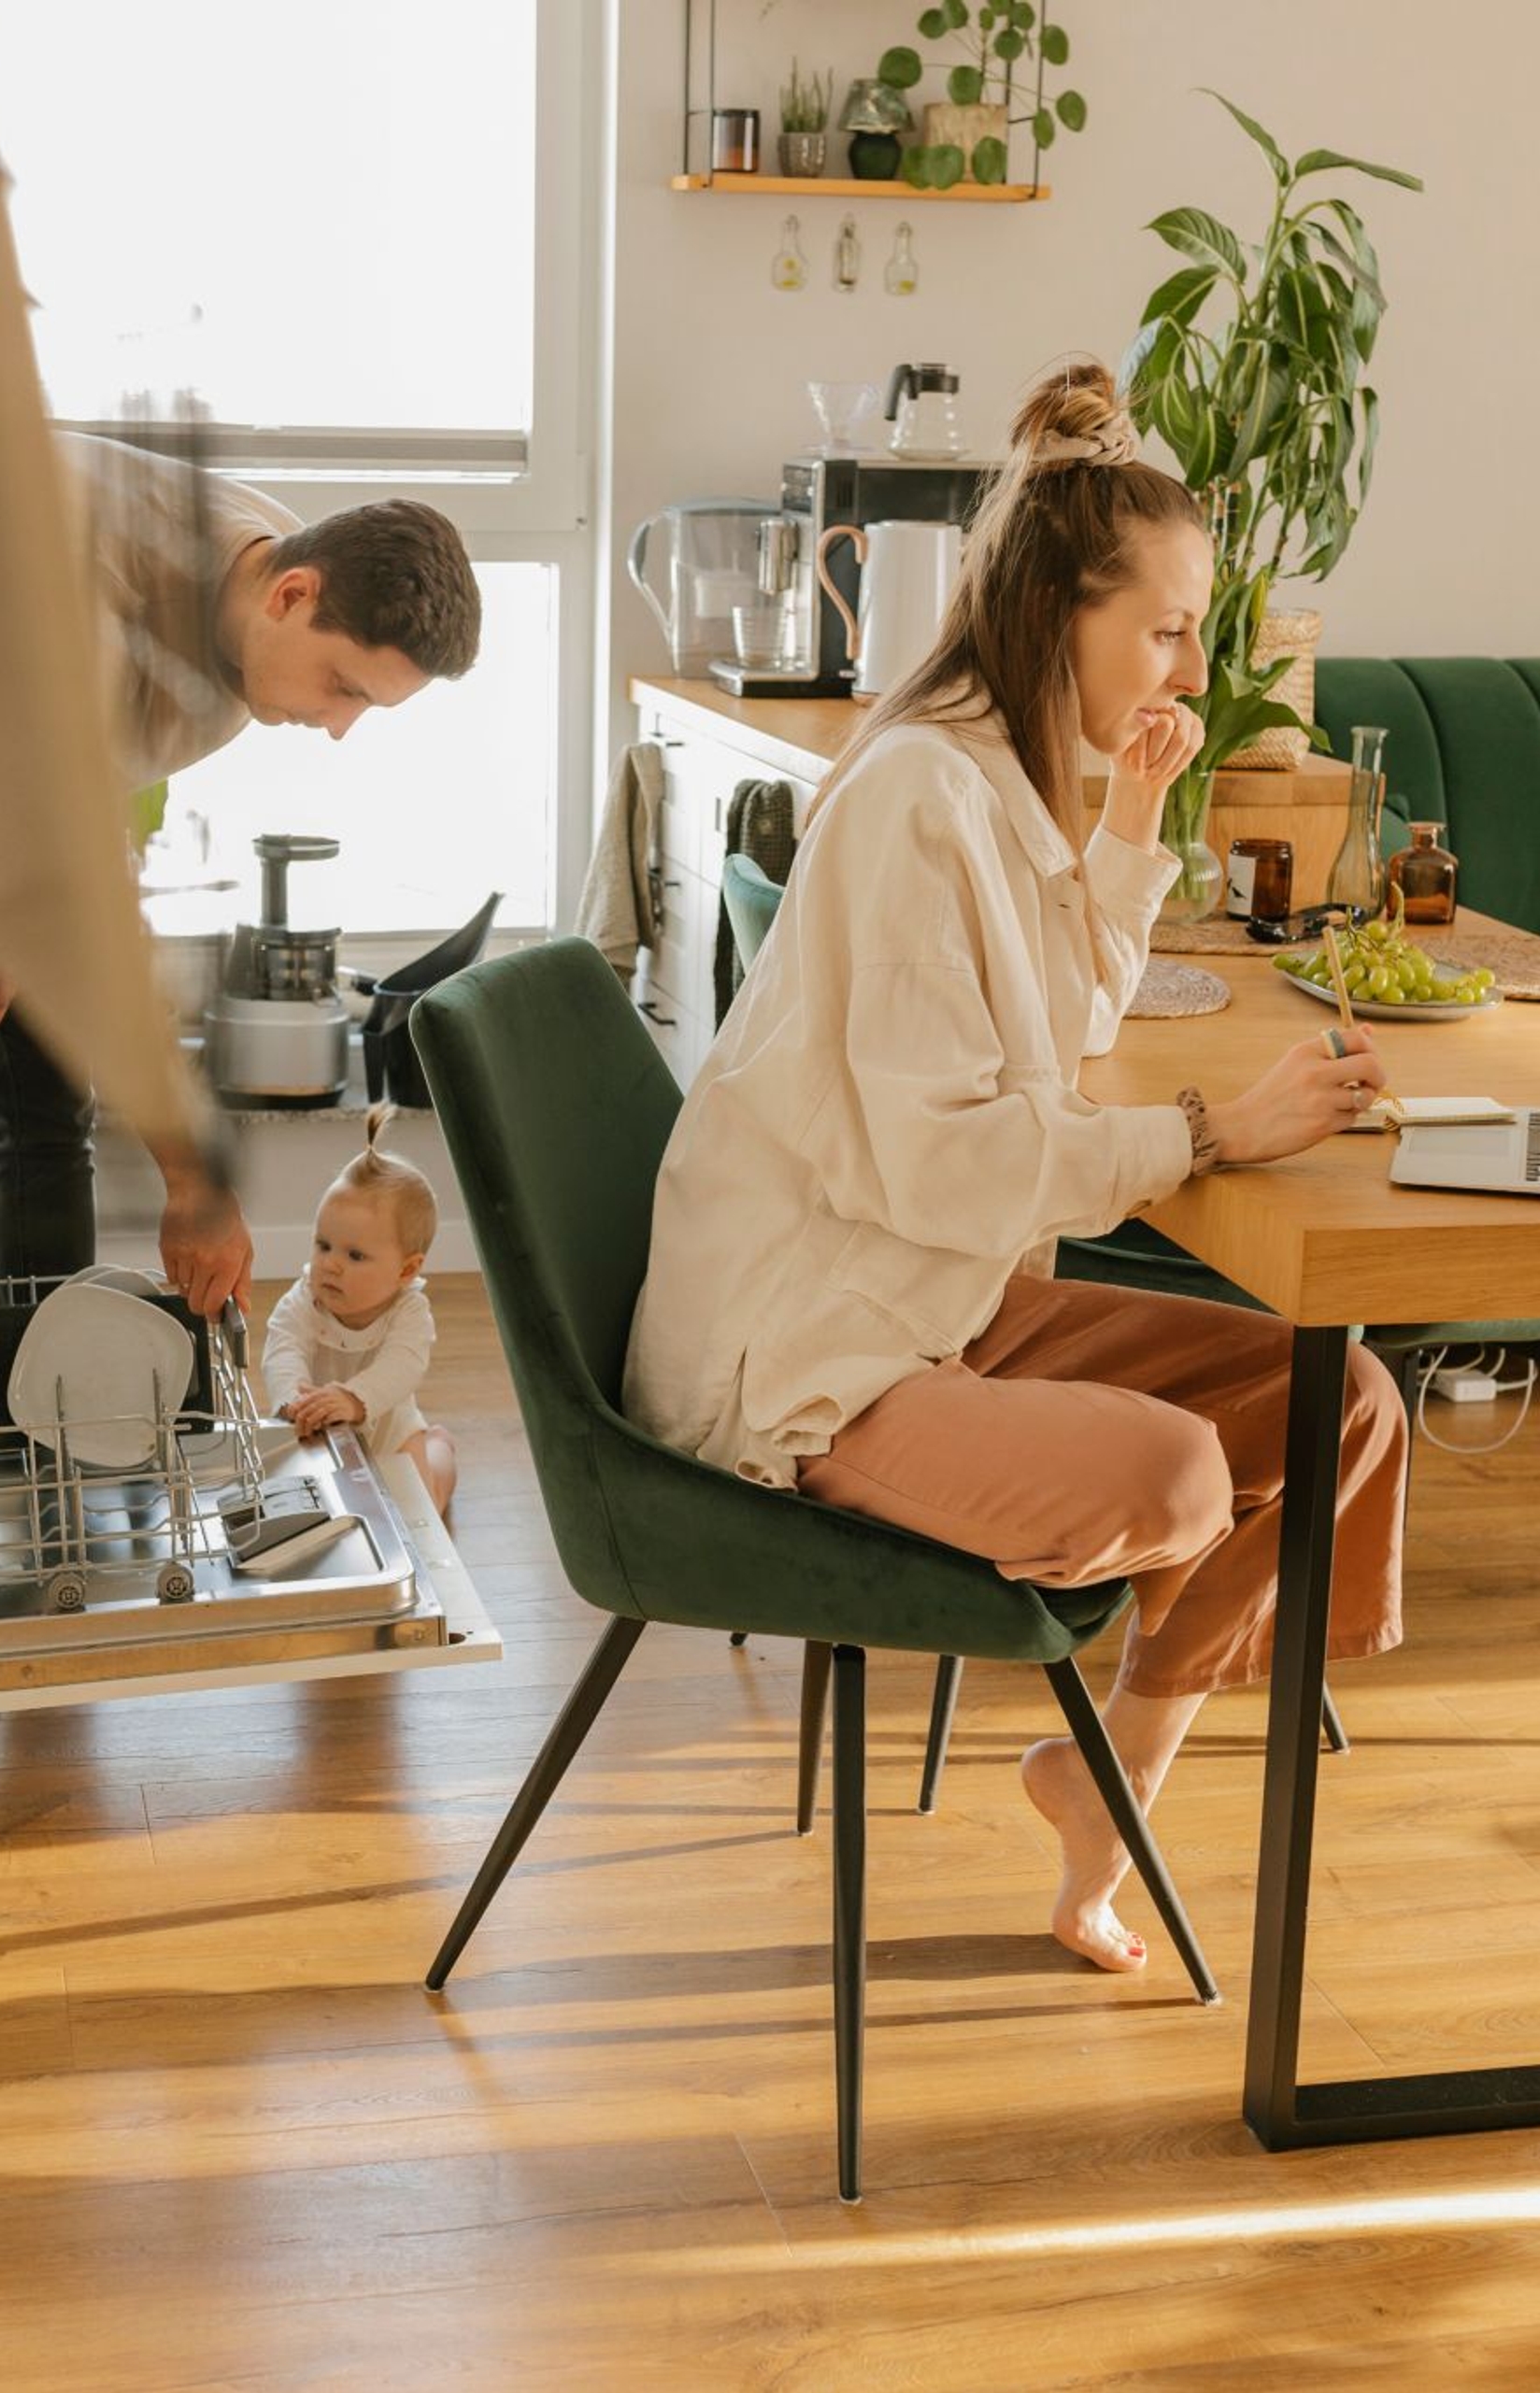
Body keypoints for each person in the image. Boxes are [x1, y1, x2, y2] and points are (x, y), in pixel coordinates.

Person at [622, 362, 1410, 1977]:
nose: (1191, 663)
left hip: (929, 1292)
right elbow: (946, 1159)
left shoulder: (998, 776)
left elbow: (1058, 1031)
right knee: (1180, 1478)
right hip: (810, 1349)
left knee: (1350, 1406)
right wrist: (1206, 1134)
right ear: (1062, 606)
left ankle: (1101, 1785)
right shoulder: (922, 797)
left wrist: (1133, 820)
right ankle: (1106, 1795)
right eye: (1169, 628)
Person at [0, 434, 481, 1403]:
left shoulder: (254, 611)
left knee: (52, 1095)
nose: (340, 726)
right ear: (291, 596)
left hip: (3, 754)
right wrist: (194, 1180)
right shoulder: (97, 605)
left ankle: (50, 1412)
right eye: (344, 686)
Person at [261, 1106, 457, 1517]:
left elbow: (404, 1365)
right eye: (323, 1245)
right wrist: (292, 1399)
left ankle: (440, 1449)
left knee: (425, 1509)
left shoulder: (409, 1311)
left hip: (389, 1430)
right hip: (314, 1427)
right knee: (305, 1507)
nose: (330, 1264)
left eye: (354, 1255)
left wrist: (355, 1398)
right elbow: (283, 1346)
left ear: (406, 1269)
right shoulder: (304, 1300)